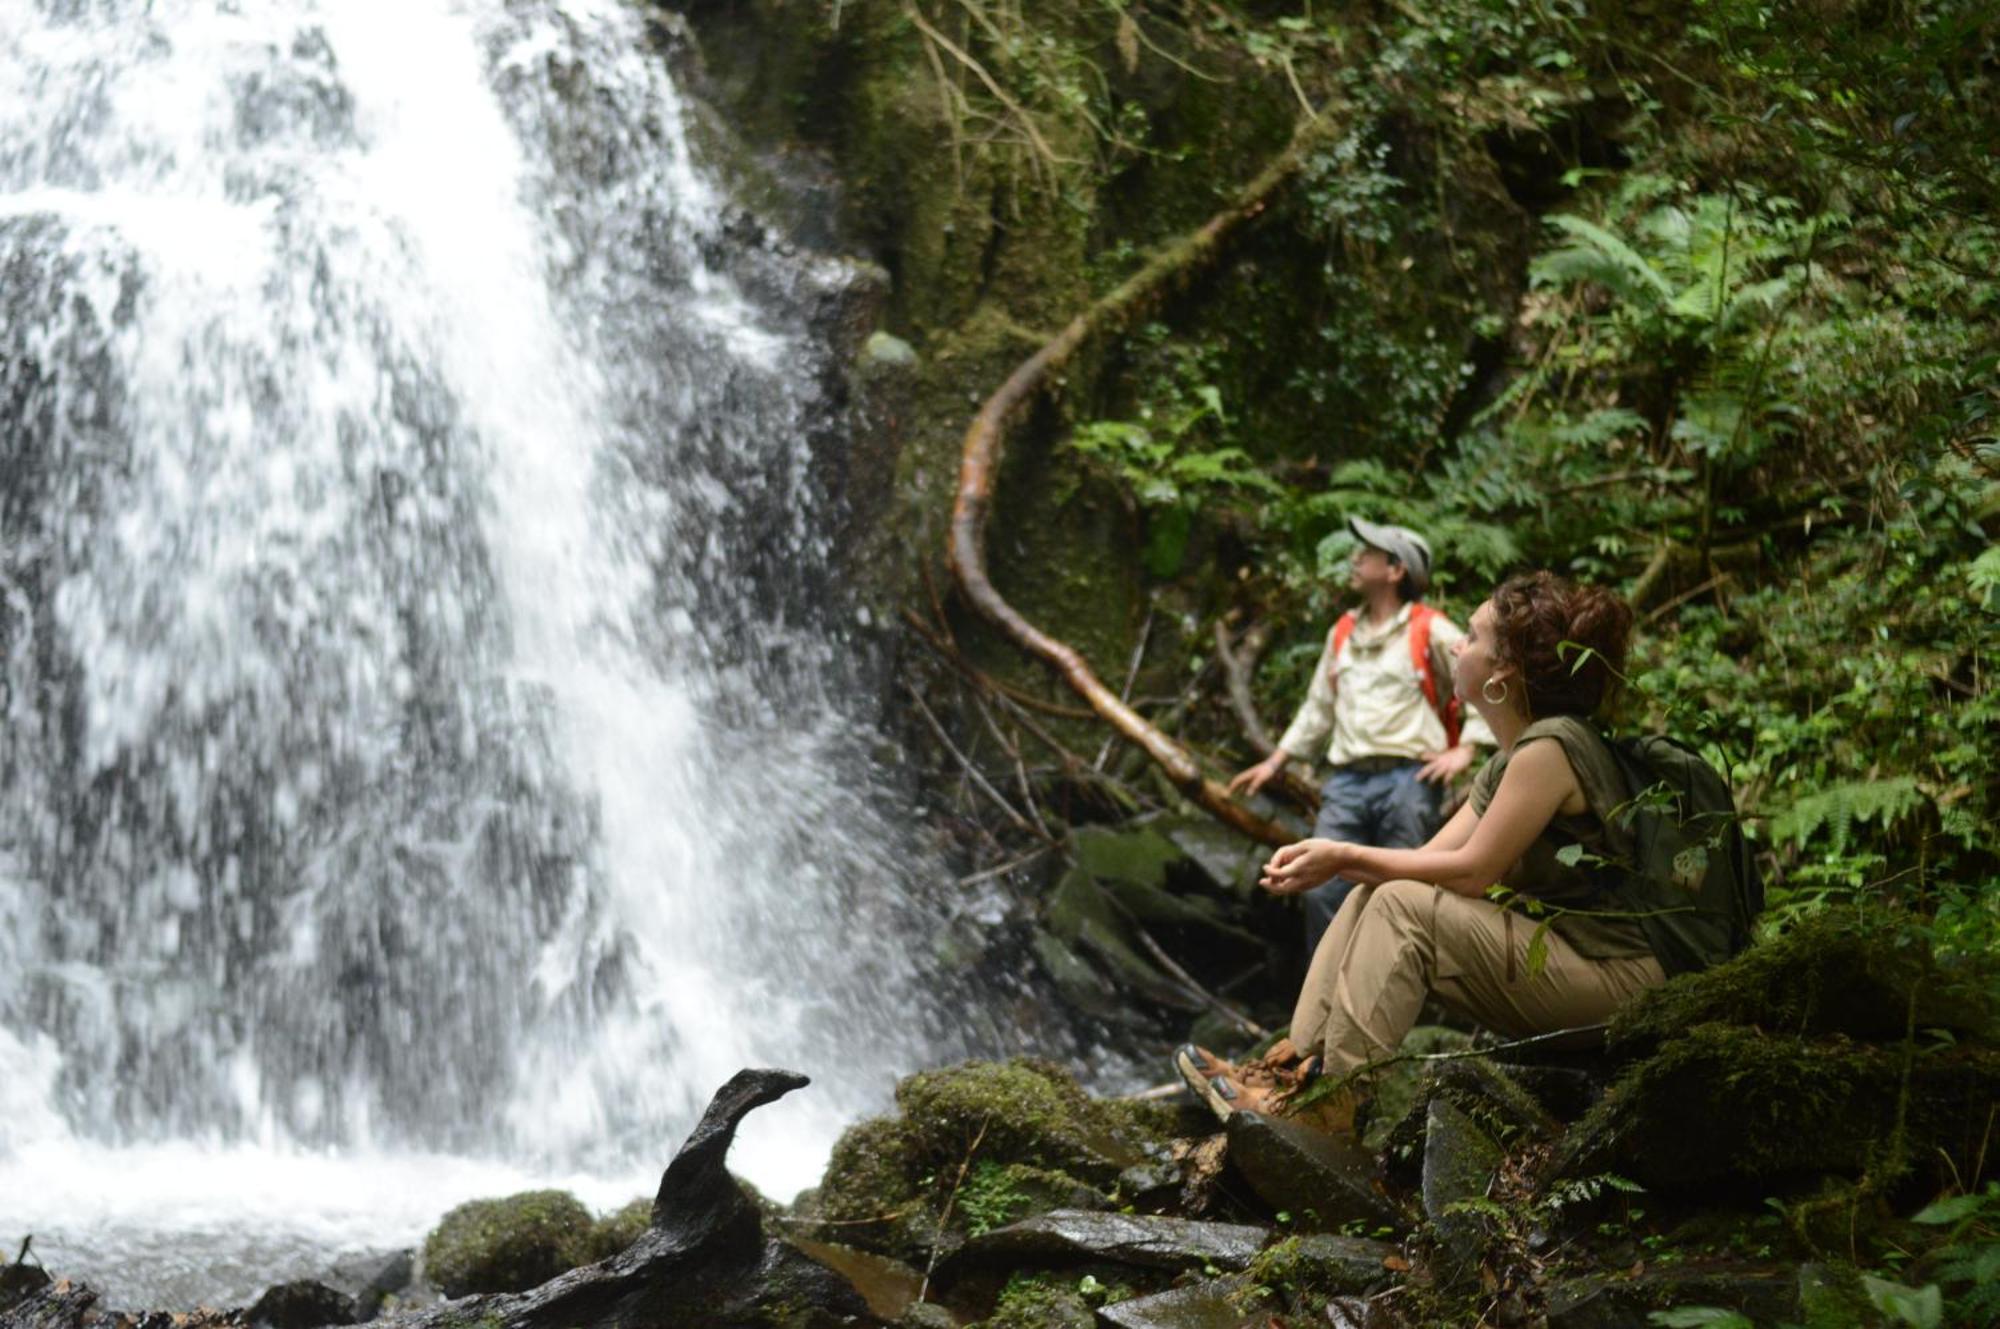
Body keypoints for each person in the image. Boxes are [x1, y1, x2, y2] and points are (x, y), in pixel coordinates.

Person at [1180, 571, 1666, 1133]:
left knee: (1401, 906)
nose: (1457, 645)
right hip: (1578, 961)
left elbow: (1471, 872)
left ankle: (1335, 1104)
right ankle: (1291, 1069)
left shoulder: (1551, 748)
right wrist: (1352, 862)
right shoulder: (1514, 758)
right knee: (1379, 889)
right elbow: (1426, 861)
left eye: (1473, 637)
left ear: (1502, 670)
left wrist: (1340, 854)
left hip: (1622, 981)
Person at [1229, 517, 1494, 955]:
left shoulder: (1430, 628)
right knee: (1320, 891)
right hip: (1347, 783)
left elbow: (1480, 677)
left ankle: (1392, 1003)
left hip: (1411, 780)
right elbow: (1318, 707)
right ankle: (1326, 1002)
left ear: (1395, 571)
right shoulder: (1343, 632)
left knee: (1403, 891)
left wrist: (1466, 748)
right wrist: (1275, 763)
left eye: (1367, 554)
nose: (1355, 560)